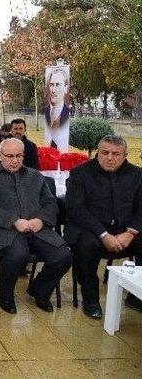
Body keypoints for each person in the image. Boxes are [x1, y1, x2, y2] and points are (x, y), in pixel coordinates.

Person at [0, 138, 71, 313]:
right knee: (18, 255)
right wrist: (14, 221)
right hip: (4, 229)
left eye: (19, 156)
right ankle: (5, 295)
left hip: (37, 228)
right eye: (9, 156)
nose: (14, 160)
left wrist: (41, 220)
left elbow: (50, 203)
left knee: (63, 255)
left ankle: (39, 291)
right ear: (0, 155)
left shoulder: (35, 176)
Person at [65, 135, 142, 318]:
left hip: (126, 230)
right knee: (86, 245)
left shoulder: (137, 175)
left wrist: (130, 232)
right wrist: (104, 234)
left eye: (116, 154)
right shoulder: (79, 173)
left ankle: (136, 295)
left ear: (125, 155)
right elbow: (76, 209)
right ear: (97, 153)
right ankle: (90, 300)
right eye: (105, 152)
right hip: (90, 229)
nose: (109, 157)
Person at [44, 68, 71, 151]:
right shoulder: (46, 112)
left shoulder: (66, 114)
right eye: (51, 85)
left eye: (58, 84)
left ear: (66, 88)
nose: (53, 90)